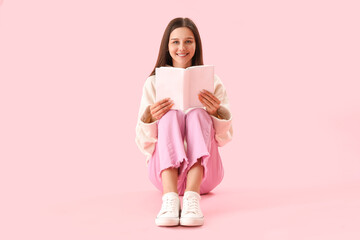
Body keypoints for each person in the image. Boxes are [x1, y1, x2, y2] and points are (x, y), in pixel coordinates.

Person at [135, 17, 233, 227]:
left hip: (206, 176)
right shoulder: (153, 83)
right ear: (167, 46)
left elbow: (224, 139)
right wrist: (151, 118)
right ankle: (169, 200)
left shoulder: (213, 82)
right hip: (163, 177)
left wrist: (216, 113)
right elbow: (144, 144)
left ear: (196, 45)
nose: (182, 47)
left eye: (188, 41)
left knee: (198, 115)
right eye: (175, 42)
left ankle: (192, 198)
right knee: (170, 115)